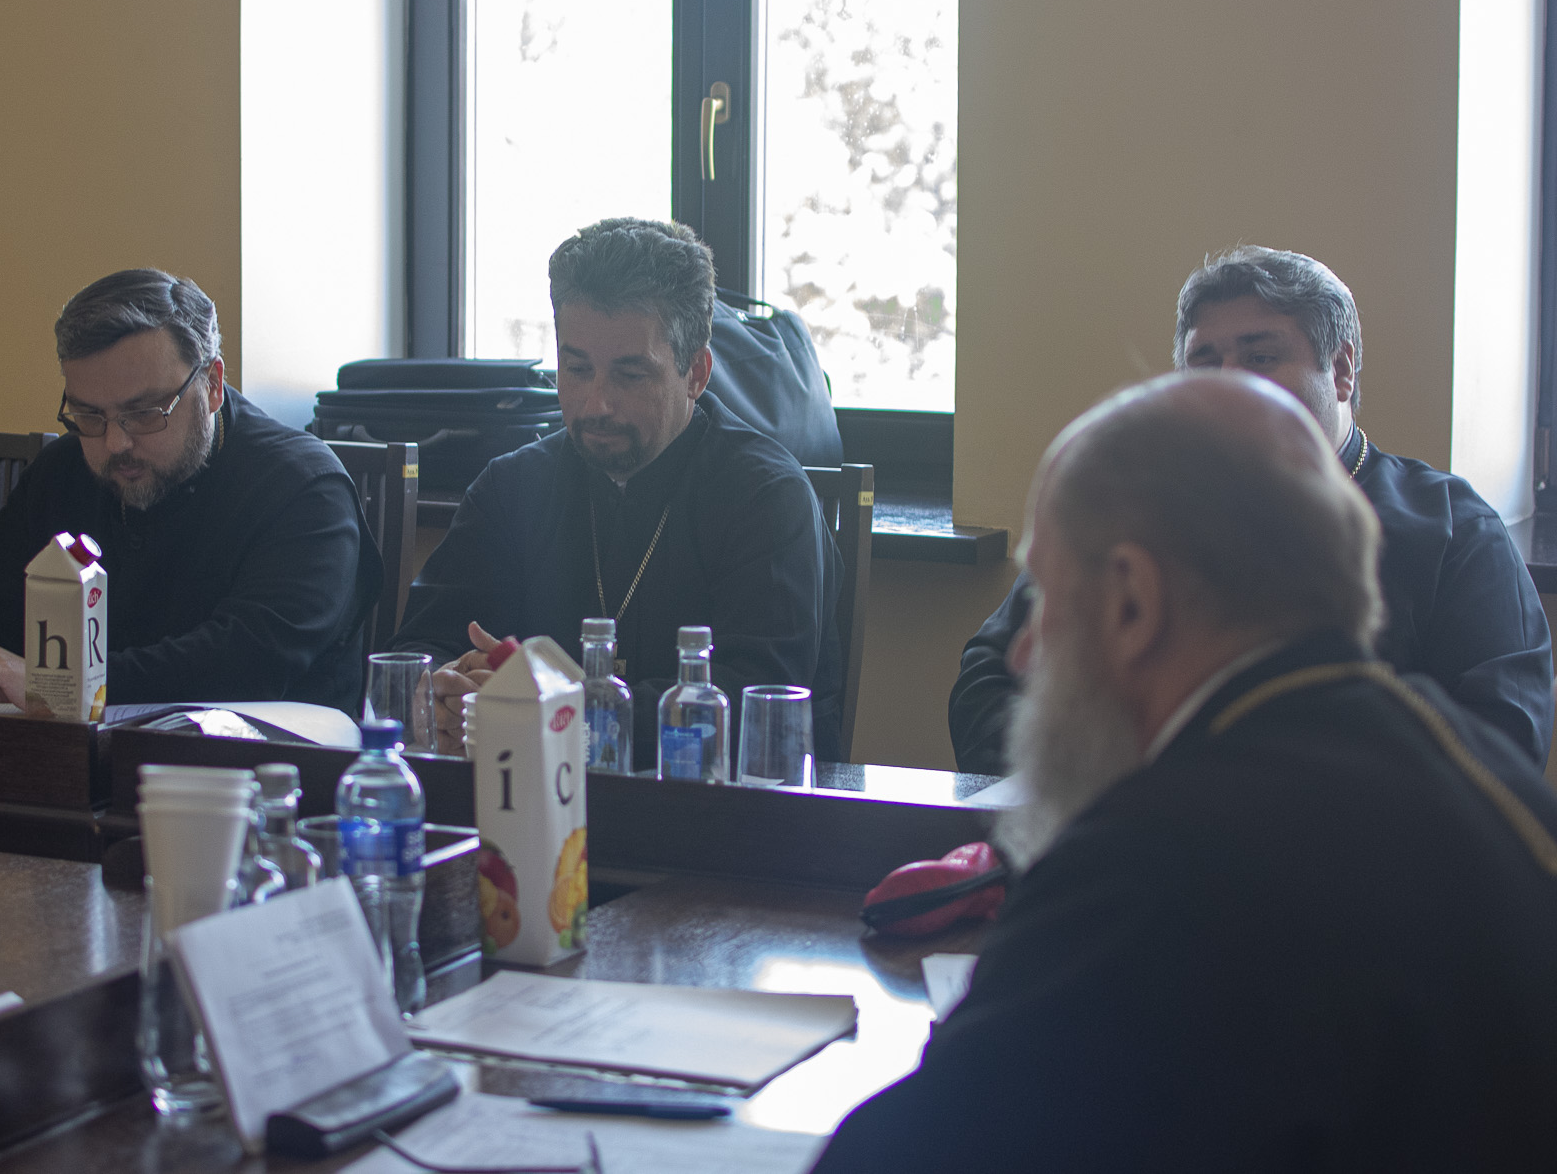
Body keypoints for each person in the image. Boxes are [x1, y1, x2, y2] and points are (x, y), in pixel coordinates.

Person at [815, 371, 1557, 1173]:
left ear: (1133, 603)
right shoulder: (1493, 780)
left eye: (1047, 598)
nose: (1023, 654)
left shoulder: (1152, 866)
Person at [950, 247, 1552, 772]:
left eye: (1260, 357)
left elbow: (1504, 738)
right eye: (1205, 361)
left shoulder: (1454, 530)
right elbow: (988, 679)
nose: (1227, 381)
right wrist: (1123, 781)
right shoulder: (1130, 511)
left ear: (1341, 370)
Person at [392, 217, 843, 764]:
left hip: (707, 806)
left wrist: (558, 713)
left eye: (630, 375)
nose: (596, 404)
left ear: (696, 373)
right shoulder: (511, 487)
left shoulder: (766, 498)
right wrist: (440, 689)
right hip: (523, 795)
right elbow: (416, 650)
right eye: (577, 369)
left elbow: (756, 703)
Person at [0, 268, 379, 713]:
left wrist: (56, 684)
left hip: (267, 752)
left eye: (144, 413)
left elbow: (246, 662)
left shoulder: (304, 488)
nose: (115, 442)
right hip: (77, 748)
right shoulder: (63, 468)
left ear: (212, 385)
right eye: (89, 415)